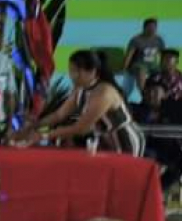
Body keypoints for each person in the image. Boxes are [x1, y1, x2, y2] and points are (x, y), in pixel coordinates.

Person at [16, 49, 144, 155]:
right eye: (71, 70)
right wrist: (32, 126)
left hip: (125, 140)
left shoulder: (104, 93)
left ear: (93, 72)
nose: (72, 75)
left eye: (77, 71)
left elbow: (81, 128)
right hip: (104, 141)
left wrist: (43, 135)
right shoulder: (80, 90)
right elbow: (59, 115)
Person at [123, 18, 166, 91]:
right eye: (150, 27)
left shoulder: (159, 40)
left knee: (162, 74)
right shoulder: (136, 40)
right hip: (139, 64)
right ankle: (143, 94)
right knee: (141, 71)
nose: (152, 30)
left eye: (154, 28)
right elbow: (129, 55)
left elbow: (163, 55)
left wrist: (164, 67)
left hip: (153, 65)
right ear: (144, 28)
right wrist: (124, 68)